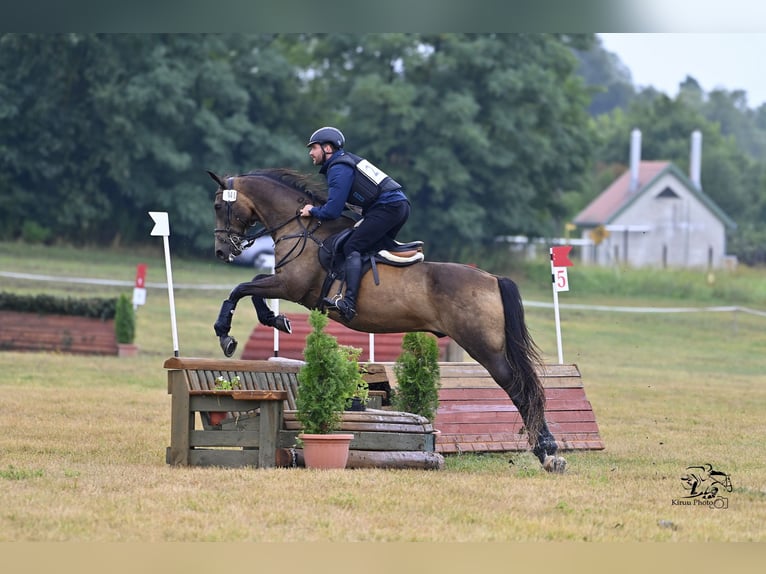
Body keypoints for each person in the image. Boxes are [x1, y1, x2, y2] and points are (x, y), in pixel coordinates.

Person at [300, 126, 410, 322]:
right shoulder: (343, 163)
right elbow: (339, 205)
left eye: (313, 148)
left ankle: (349, 302)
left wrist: (312, 211)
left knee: (352, 246)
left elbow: (333, 211)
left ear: (327, 149)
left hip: (387, 208)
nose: (310, 153)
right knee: (369, 249)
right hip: (396, 206)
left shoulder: (338, 167)